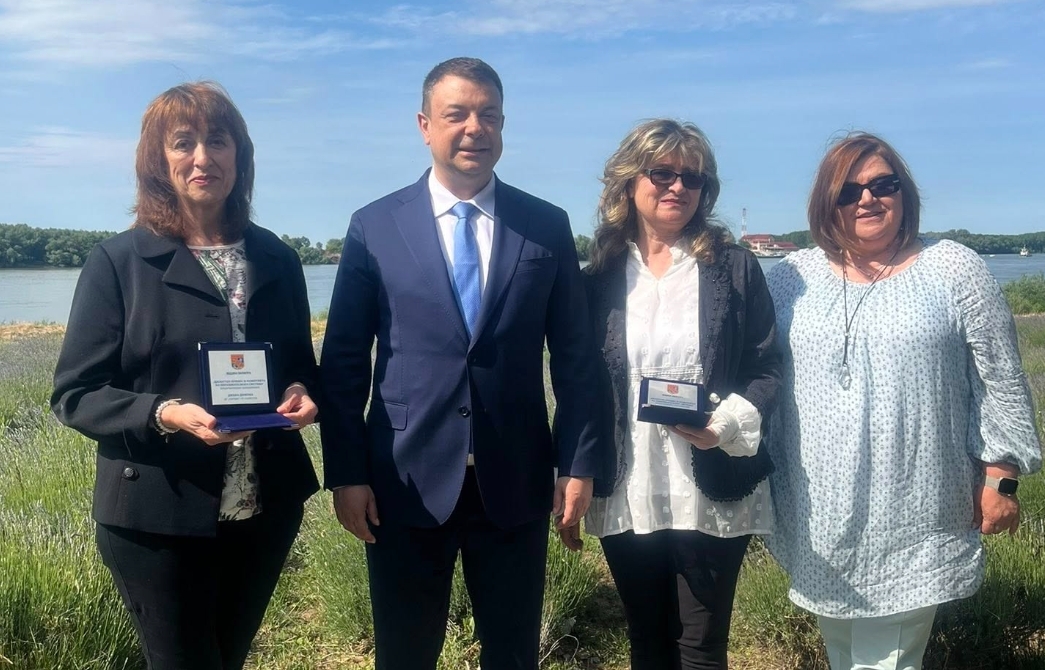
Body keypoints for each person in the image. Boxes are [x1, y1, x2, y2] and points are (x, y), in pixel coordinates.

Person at [319, 57, 604, 670]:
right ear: (425, 125)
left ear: (503, 125)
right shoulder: (374, 226)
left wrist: (578, 463)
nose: (475, 128)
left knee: (513, 654)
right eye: (457, 114)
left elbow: (577, 359)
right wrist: (345, 473)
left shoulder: (546, 226)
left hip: (516, 479)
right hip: (403, 481)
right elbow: (343, 362)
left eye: (489, 115)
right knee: (405, 653)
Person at [51, 82, 320, 670]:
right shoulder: (118, 262)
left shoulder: (277, 258)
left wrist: (302, 392)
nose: (203, 157)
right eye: (183, 142)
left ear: (240, 156)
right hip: (156, 513)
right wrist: (164, 414)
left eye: (218, 141)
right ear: (158, 160)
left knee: (228, 657)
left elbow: (299, 365)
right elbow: (75, 393)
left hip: (264, 508)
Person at [765, 132, 1042, 670]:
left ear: (903, 192)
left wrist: (1001, 478)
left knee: (886, 660)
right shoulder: (791, 278)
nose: (867, 199)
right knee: (843, 649)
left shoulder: (953, 267)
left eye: (882, 185)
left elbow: (1001, 380)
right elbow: (757, 370)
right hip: (817, 511)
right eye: (848, 191)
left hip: (915, 508)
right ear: (826, 203)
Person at [561, 118, 781, 670]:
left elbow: (766, 366)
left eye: (693, 178)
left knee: (701, 647)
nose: (678, 186)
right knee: (647, 641)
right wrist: (572, 469)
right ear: (629, 181)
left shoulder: (733, 268)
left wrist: (724, 425)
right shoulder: (597, 278)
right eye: (662, 173)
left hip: (711, 480)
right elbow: (579, 385)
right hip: (627, 481)